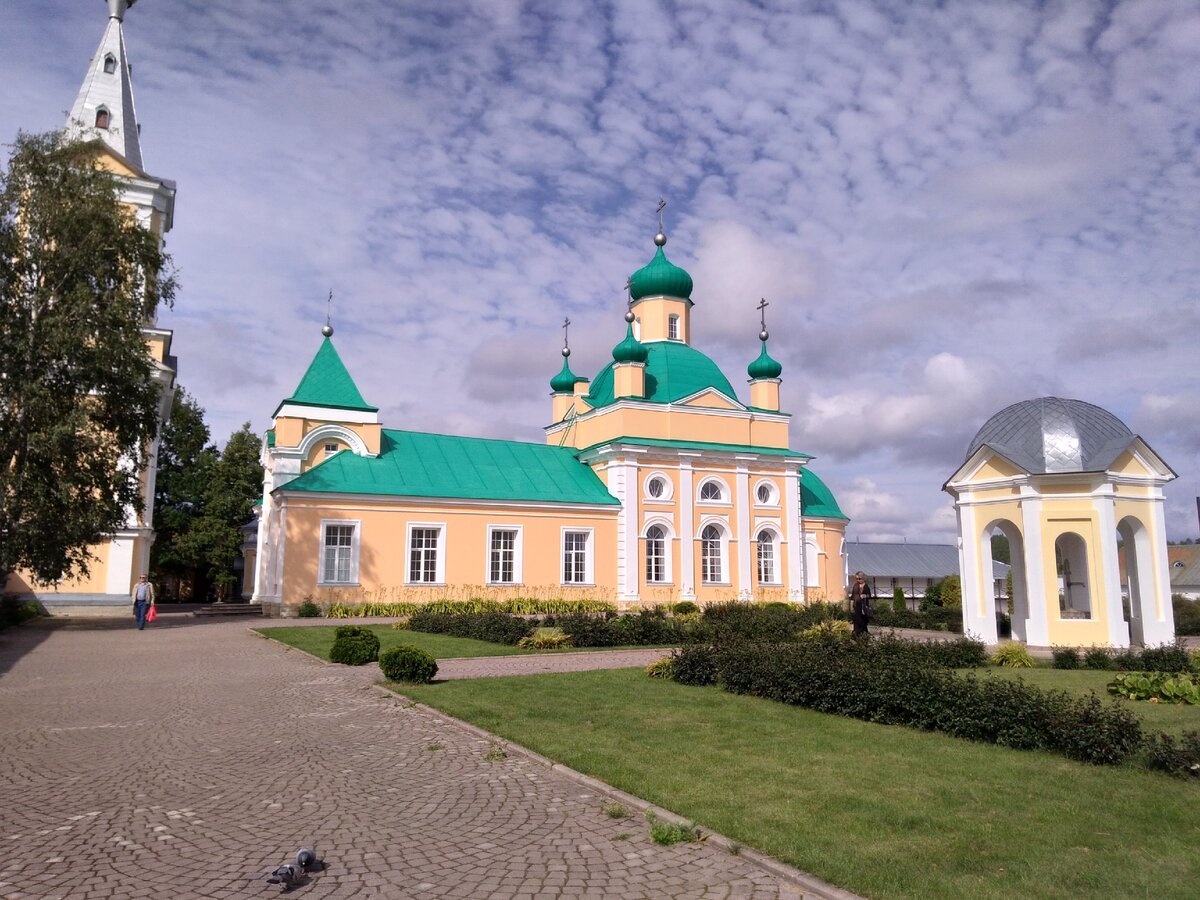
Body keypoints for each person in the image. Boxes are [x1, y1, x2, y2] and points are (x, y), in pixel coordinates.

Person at [849, 570, 872, 636]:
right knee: (856, 620)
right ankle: (856, 634)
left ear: (863, 578)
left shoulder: (866, 586)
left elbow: (869, 595)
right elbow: (853, 596)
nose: (858, 580)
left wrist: (865, 596)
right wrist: (851, 606)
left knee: (863, 620)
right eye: (856, 579)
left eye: (859, 578)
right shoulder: (855, 586)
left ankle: (864, 634)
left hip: (864, 607)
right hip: (856, 606)